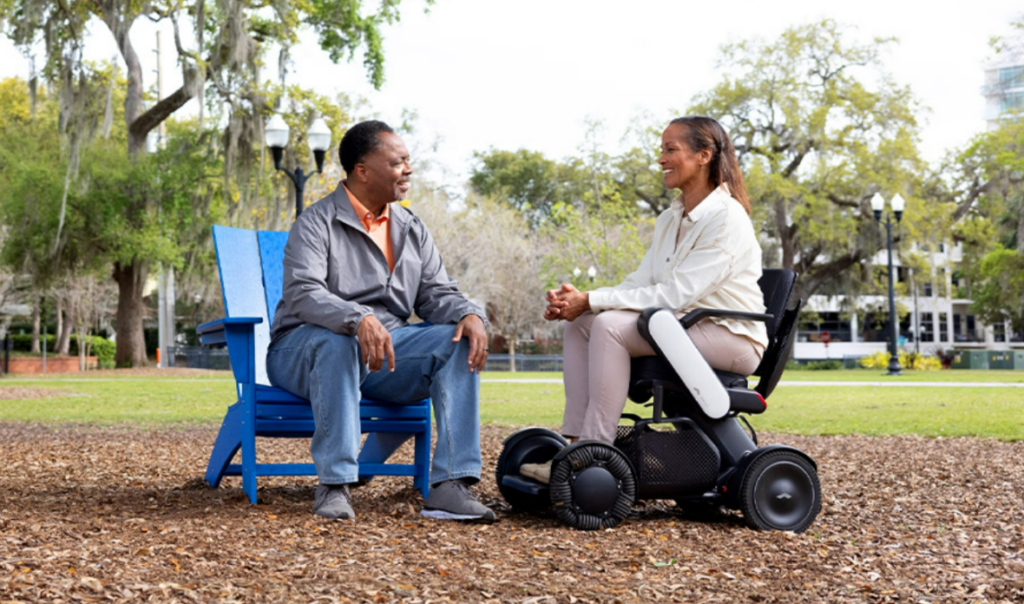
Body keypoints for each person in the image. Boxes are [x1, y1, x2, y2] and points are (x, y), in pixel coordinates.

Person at [266, 120, 494, 522]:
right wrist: (357, 318)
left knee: (456, 341)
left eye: (408, 161)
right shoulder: (316, 223)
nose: (408, 170)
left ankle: (450, 485)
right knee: (337, 343)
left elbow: (436, 293)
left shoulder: (410, 228)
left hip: (385, 350)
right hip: (303, 348)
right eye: (398, 162)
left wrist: (468, 312)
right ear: (362, 170)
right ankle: (334, 484)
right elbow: (303, 293)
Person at [520, 116, 768, 484]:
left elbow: (675, 294)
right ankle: (573, 443)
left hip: (731, 337)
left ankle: (593, 455)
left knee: (609, 325)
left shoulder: (726, 218)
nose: (661, 159)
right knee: (584, 323)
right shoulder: (672, 218)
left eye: (671, 150)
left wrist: (592, 300)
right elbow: (643, 281)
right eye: (661, 150)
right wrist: (583, 303)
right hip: (681, 326)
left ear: (703, 156)